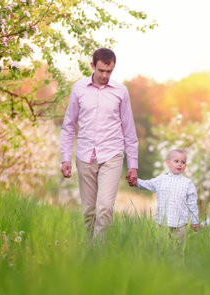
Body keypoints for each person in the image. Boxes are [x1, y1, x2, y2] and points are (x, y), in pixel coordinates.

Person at [60, 48, 138, 240]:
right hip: (85, 155)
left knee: (104, 208)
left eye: (109, 71)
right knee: (89, 210)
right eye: (101, 70)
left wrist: (133, 165)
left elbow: (129, 130)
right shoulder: (78, 89)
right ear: (92, 66)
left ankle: (98, 255)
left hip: (112, 154)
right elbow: (69, 125)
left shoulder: (121, 91)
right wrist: (65, 158)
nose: (104, 75)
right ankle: (89, 252)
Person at [135, 149, 199, 241]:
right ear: (168, 163)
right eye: (176, 161)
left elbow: (192, 204)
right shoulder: (161, 179)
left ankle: (178, 255)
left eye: (183, 162)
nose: (179, 164)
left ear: (185, 166)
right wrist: (135, 182)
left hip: (180, 224)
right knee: (162, 246)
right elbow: (147, 184)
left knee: (177, 248)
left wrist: (195, 221)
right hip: (162, 223)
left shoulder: (188, 183)